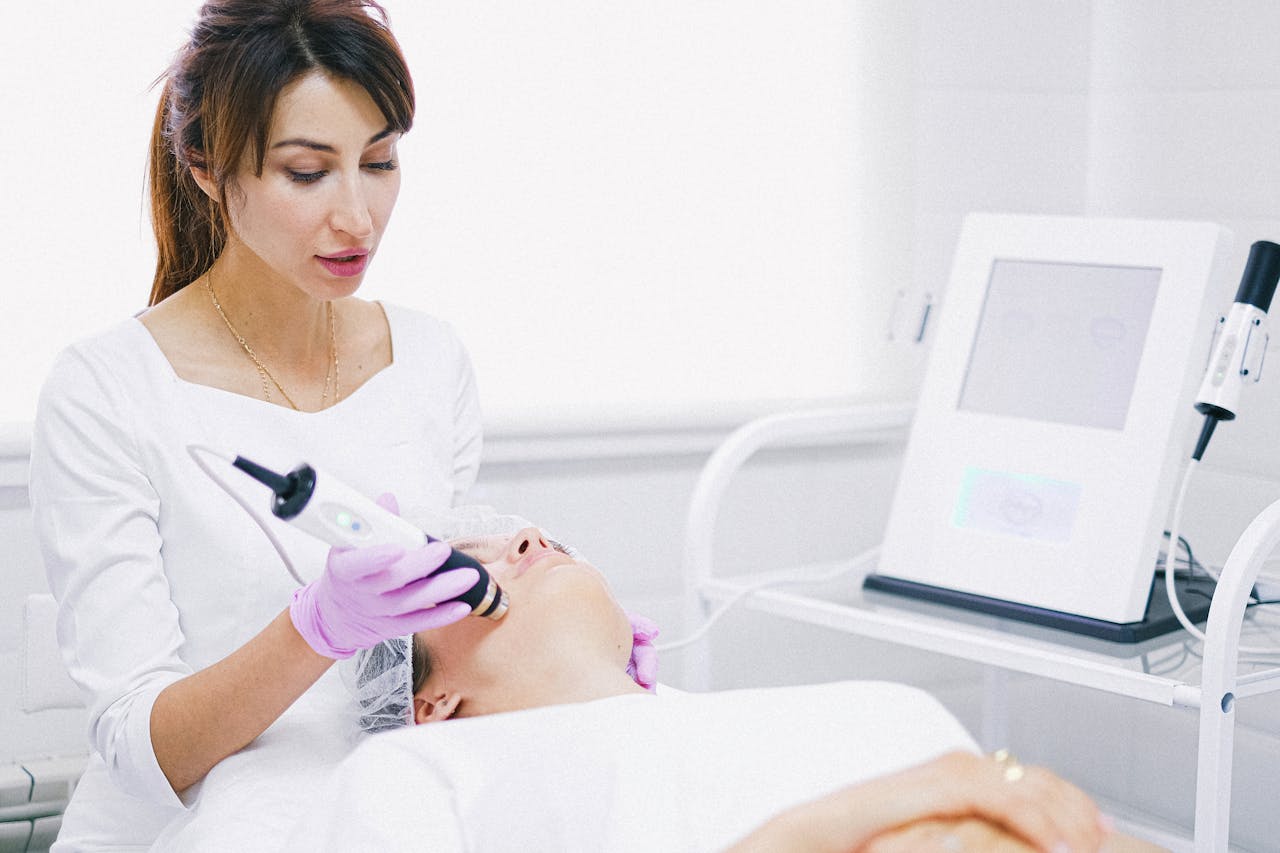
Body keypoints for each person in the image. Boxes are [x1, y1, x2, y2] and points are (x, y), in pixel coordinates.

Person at [27, 3, 649, 849]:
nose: (358, 217)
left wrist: (575, 656)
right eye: (307, 172)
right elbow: (143, 751)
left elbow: (430, 660)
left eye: (380, 160)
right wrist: (312, 629)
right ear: (207, 167)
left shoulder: (428, 359)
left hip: (377, 811)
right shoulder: (107, 390)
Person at [285, 528, 1162, 853]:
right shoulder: (417, 768)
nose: (520, 536)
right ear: (430, 699)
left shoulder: (853, 704)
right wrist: (908, 801)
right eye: (454, 570)